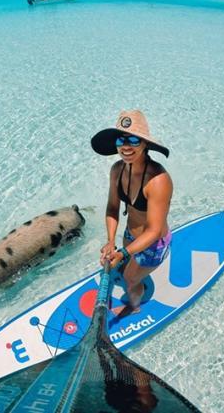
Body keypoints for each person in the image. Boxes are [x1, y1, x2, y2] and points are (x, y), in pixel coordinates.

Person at [91, 110, 172, 316]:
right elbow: (112, 207)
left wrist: (123, 253)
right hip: (130, 236)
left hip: (153, 244)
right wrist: (111, 241)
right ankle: (132, 267)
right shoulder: (117, 170)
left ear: (145, 144)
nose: (126, 147)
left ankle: (134, 306)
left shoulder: (158, 180)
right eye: (121, 140)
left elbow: (154, 231)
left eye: (134, 140)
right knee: (128, 266)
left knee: (130, 279)